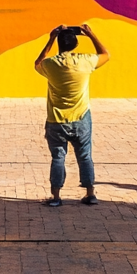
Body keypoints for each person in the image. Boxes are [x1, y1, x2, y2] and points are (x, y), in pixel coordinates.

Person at [33, 23, 110, 207]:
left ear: (59, 44)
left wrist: (51, 38)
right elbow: (106, 55)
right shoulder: (86, 61)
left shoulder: (51, 64)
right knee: (85, 156)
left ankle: (56, 197)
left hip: (56, 120)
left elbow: (37, 63)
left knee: (58, 157)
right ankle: (90, 194)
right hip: (82, 117)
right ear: (75, 44)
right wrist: (91, 34)